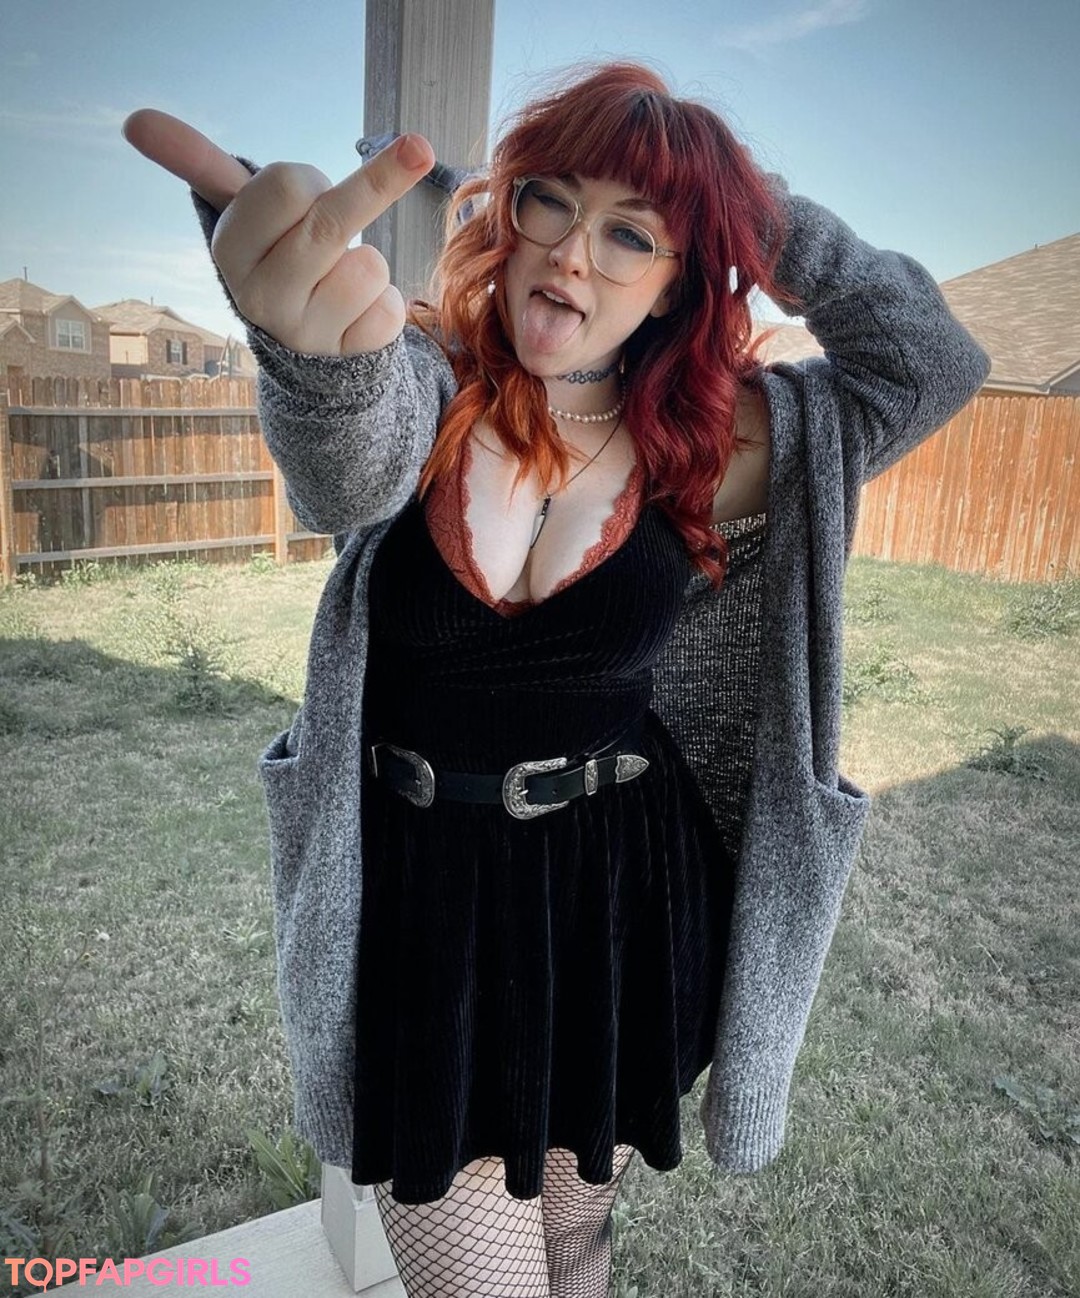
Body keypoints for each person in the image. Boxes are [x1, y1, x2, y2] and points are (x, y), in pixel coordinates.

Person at [124, 61, 988, 1298]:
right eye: (553, 202)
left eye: (631, 232)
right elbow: (344, 458)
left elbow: (929, 361)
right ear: (510, 211)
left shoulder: (722, 441)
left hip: (620, 895)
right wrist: (313, 362)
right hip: (427, 910)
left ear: (679, 278)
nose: (575, 252)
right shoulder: (422, 380)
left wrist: (751, 207)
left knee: (579, 1248)